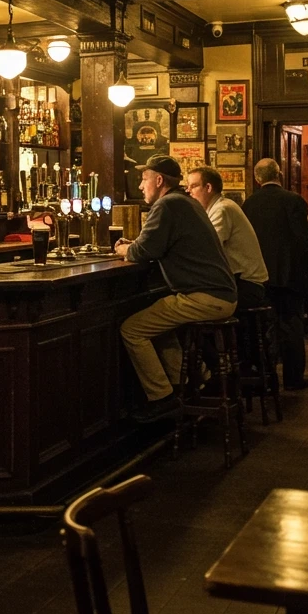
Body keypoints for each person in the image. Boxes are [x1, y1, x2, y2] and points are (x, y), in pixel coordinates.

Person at [115, 155, 237, 422]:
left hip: (205, 297)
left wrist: (125, 248)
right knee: (159, 325)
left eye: (143, 179)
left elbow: (143, 251)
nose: (140, 186)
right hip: (221, 294)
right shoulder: (188, 202)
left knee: (132, 330)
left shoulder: (167, 205)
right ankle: (195, 380)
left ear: (159, 181)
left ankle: (162, 398)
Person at [243, 158, 308, 390]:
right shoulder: (293, 200)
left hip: (259, 276)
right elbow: (305, 239)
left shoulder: (249, 204)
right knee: (291, 327)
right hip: (289, 274)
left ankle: (266, 377)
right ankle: (293, 379)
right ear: (280, 174)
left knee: (263, 328)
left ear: (257, 178)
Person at [185, 165, 268, 310]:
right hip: (241, 283)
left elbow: (208, 248)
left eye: (193, 186)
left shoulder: (222, 209)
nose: (188, 191)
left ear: (208, 187)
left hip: (247, 286)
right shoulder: (219, 207)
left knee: (189, 303)